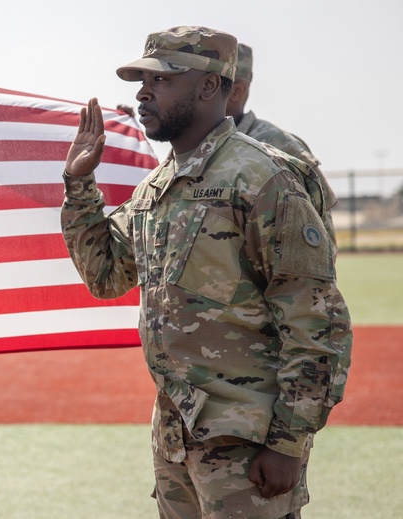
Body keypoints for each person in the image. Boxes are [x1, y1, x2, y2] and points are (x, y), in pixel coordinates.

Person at [60, 26, 352, 518]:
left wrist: (288, 442)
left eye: (162, 78)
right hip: (176, 437)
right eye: (141, 79)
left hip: (249, 440)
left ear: (210, 86)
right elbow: (107, 276)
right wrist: (79, 185)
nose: (143, 92)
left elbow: (315, 316)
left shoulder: (263, 177)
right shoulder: (158, 186)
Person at [227, 42, 338, 246]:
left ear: (237, 91)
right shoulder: (195, 149)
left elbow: (320, 245)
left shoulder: (278, 147)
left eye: (209, 83)